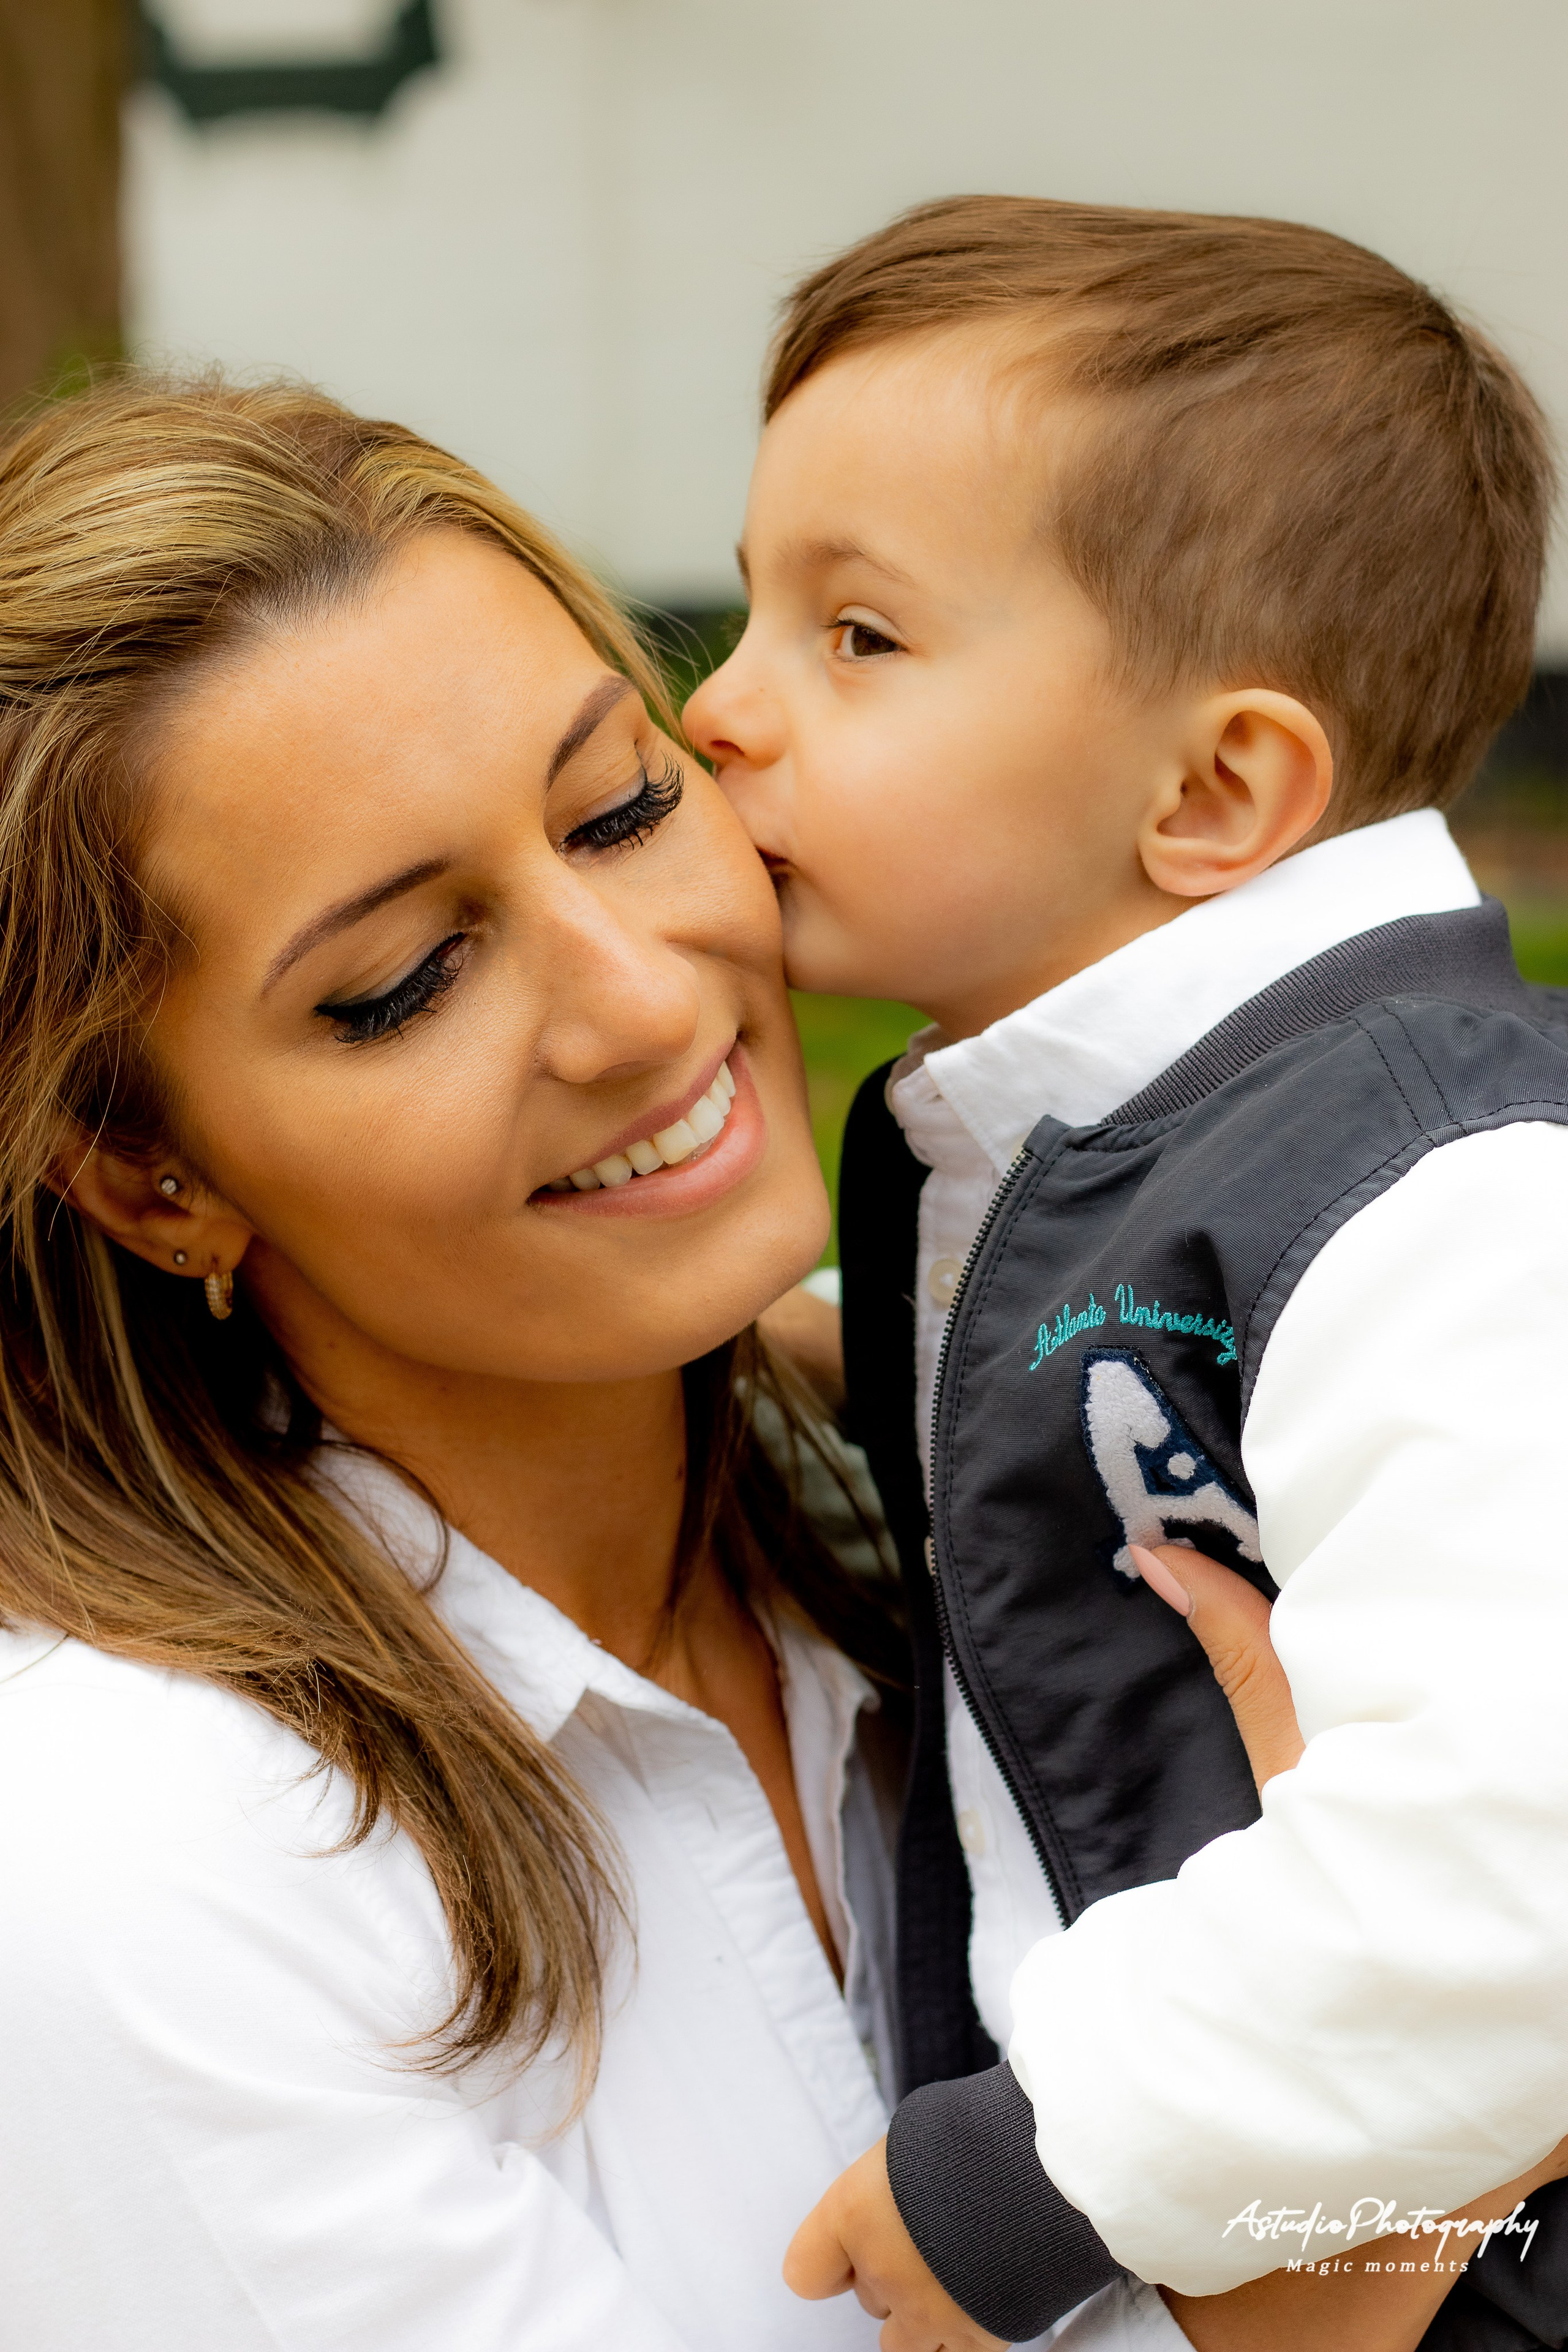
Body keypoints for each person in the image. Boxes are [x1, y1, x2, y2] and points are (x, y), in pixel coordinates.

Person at [685, 195, 1568, 2349]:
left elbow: (1525, 1828)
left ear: (1217, 788)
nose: (721, 711)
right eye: (747, 614)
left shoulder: (1444, 1196)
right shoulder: (1153, 1142)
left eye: (857, 640)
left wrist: (1054, 2153)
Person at [0, 373, 910, 2352]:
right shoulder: (137, 1877)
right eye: (403, 981)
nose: (643, 996)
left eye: (625, 808)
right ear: (151, 1178)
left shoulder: (960, 1476)